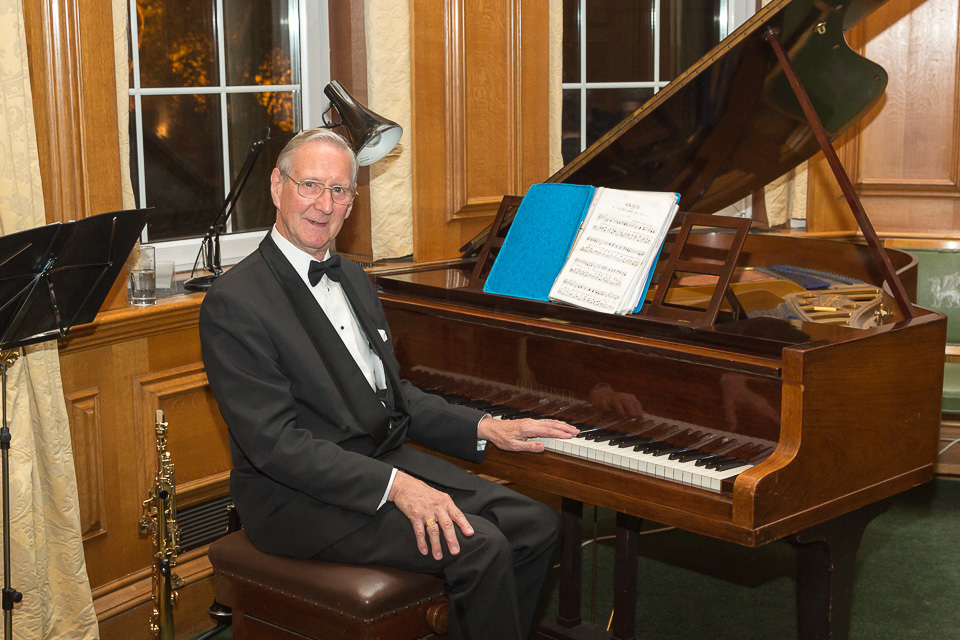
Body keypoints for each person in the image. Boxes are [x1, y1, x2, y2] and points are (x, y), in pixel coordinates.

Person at [199, 128, 580, 640]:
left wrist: (488, 427)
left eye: (339, 191)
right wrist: (396, 487)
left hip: (381, 460)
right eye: (309, 185)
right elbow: (276, 446)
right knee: (482, 544)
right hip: (294, 499)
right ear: (276, 187)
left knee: (537, 525)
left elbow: (395, 397)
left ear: (352, 202)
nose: (323, 204)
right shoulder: (235, 302)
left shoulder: (354, 278)